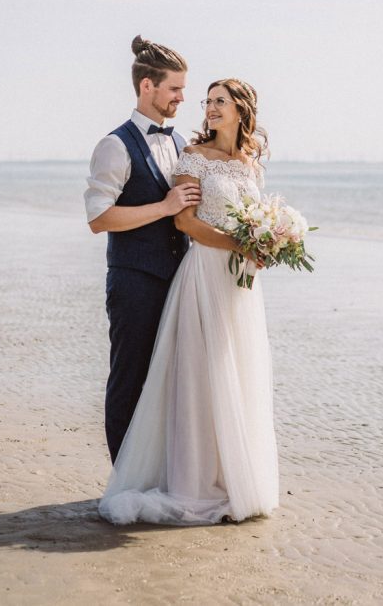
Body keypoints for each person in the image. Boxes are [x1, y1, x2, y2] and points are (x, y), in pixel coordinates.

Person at [99, 78, 279, 525]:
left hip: (240, 286)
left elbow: (256, 222)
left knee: (236, 373)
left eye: (220, 102)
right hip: (203, 275)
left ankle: (232, 477)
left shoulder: (251, 166)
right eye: (207, 101)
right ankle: (191, 481)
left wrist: (269, 243)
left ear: (241, 109)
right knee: (199, 378)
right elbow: (186, 223)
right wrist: (240, 246)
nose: (210, 108)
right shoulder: (192, 156)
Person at [85, 35, 201, 464]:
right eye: (174, 88)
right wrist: (164, 207)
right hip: (134, 282)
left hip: (179, 282)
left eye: (183, 89)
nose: (182, 98)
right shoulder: (114, 145)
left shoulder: (177, 142)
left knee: (170, 383)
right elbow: (99, 219)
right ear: (147, 86)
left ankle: (158, 474)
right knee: (129, 380)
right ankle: (123, 481)